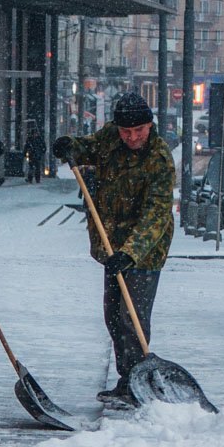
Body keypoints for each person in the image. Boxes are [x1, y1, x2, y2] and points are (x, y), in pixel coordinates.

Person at [52, 92, 174, 407]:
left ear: (150, 125)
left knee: (131, 317)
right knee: (113, 316)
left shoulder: (159, 159)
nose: (132, 138)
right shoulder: (111, 138)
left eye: (139, 131)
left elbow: (156, 214)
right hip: (112, 243)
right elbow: (88, 148)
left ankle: (137, 383)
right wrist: (70, 146)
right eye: (125, 132)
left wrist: (130, 252)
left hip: (144, 251)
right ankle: (127, 378)